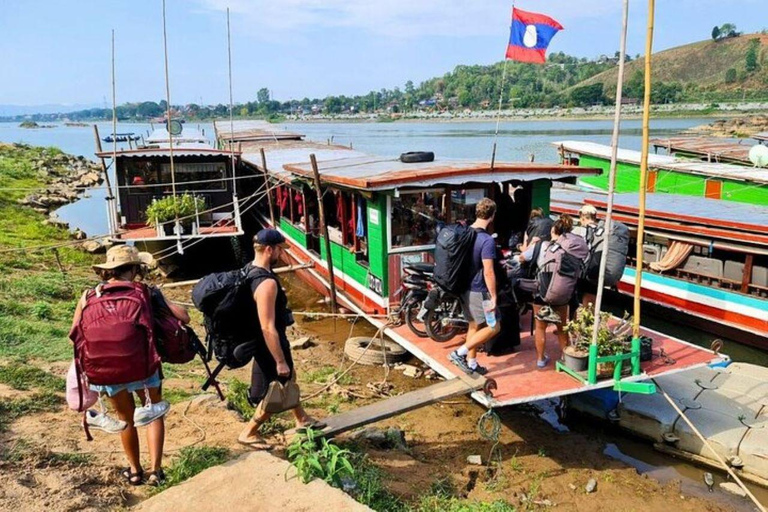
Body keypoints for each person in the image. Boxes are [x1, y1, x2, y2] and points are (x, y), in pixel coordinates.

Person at [71, 245, 189, 486]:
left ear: (107, 270)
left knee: (125, 417)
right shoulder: (144, 292)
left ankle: (135, 471)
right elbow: (183, 318)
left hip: (106, 370)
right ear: (135, 269)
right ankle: (155, 472)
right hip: (144, 367)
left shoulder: (88, 296)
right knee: (153, 413)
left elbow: (73, 333)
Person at [238, 229, 325, 449]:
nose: (281, 254)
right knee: (277, 388)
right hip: (269, 344)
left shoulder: (249, 270)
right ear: (269, 249)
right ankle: (249, 432)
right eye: (279, 249)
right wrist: (279, 360)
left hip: (261, 342)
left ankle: (301, 418)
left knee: (289, 378)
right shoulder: (267, 283)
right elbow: (268, 327)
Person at [448, 198, 501, 375]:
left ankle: (471, 363)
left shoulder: (464, 233)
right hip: (479, 291)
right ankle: (459, 353)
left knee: (474, 325)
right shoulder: (486, 240)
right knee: (494, 326)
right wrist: (493, 297)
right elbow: (488, 272)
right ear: (492, 216)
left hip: (463, 287)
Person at [532, 215, 584, 369]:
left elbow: (527, 259)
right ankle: (565, 357)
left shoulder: (543, 246)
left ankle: (541, 359)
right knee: (562, 327)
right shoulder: (572, 249)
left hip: (542, 291)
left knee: (540, 327)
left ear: (553, 230)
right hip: (562, 293)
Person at [577, 204, 600, 307]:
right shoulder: (602, 231)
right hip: (597, 268)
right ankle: (590, 319)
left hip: (582, 269)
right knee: (592, 296)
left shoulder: (579, 231)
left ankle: (580, 320)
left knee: (577, 299)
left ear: (582, 217)